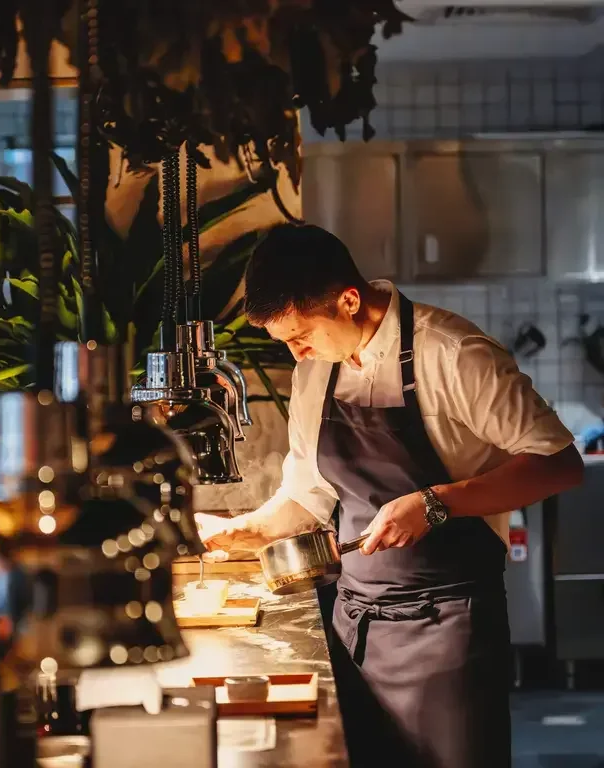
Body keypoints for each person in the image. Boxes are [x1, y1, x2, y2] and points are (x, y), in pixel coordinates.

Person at [195, 224, 583, 768]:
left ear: (349, 300)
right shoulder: (315, 373)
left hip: (448, 629)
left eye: (301, 335)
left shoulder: (454, 353)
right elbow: (308, 494)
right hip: (356, 625)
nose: (296, 352)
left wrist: (436, 501)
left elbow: (560, 465)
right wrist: (248, 529)